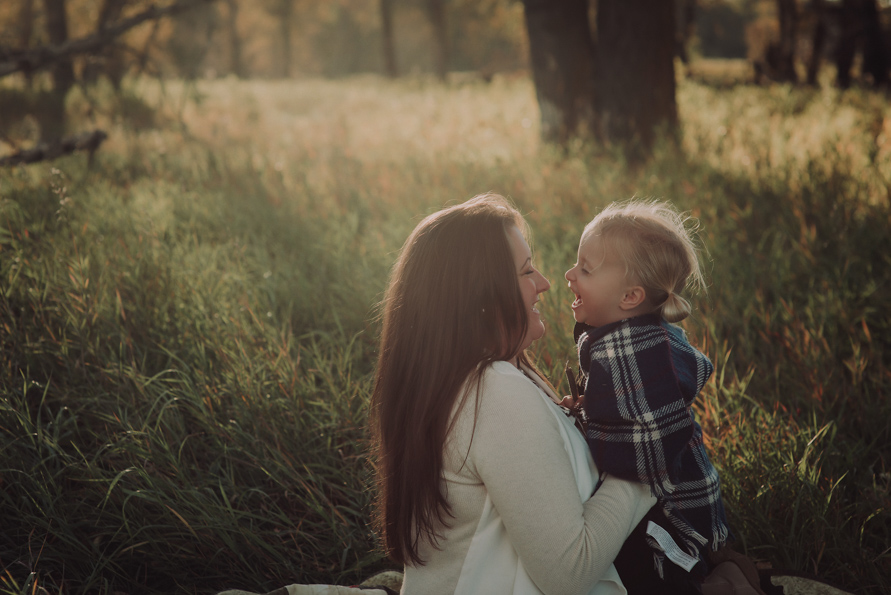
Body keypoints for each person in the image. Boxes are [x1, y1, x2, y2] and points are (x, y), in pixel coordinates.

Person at [369, 193, 656, 595]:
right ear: (480, 294)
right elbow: (569, 571)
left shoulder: (458, 382)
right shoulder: (494, 393)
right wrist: (649, 463)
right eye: (526, 272)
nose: (545, 283)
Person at [564, 200, 729, 595]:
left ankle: (708, 582)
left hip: (675, 522)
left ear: (630, 297)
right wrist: (591, 409)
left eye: (585, 269)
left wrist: (583, 433)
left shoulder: (633, 352)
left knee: (640, 576)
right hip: (671, 507)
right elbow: (629, 414)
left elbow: (648, 452)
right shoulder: (628, 338)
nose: (569, 275)